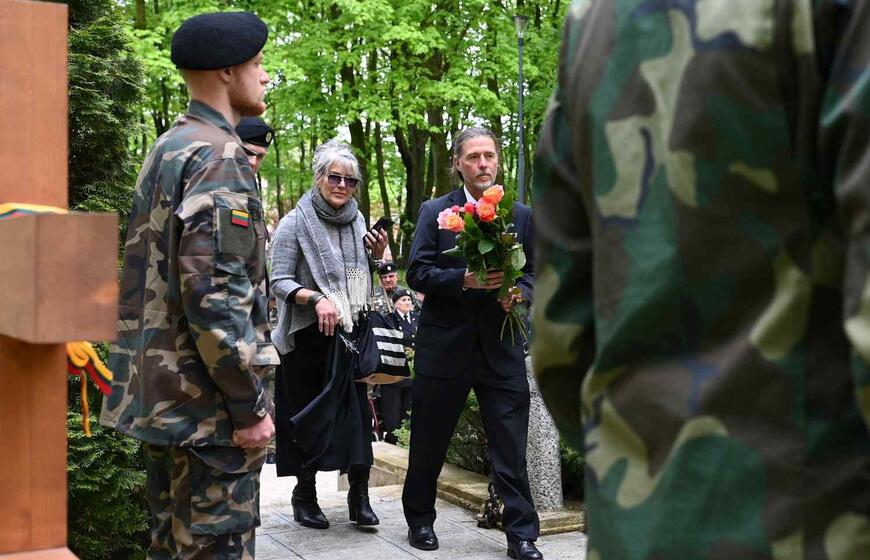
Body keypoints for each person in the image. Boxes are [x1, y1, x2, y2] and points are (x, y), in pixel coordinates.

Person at [532, 2, 870, 559]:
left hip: (636, 525)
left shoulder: (592, 20)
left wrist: (629, 467)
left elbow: (559, 333)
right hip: (812, 523)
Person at [99, 11, 277, 559]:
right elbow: (215, 296)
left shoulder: (169, 148)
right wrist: (248, 407)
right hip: (209, 417)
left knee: (172, 547)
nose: (265, 75)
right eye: (257, 63)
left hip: (168, 406)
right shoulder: (220, 157)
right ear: (227, 71)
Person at [402, 126, 541, 560]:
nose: (483, 164)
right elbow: (417, 272)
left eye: (489, 156)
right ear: (458, 164)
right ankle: (420, 520)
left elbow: (536, 273)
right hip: (444, 348)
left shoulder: (521, 215)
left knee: (511, 446)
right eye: (474, 157)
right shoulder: (435, 212)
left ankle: (521, 535)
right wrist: (462, 280)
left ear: (497, 161)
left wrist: (519, 293)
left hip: (501, 348)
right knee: (429, 441)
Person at [270, 139, 388, 530]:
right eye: (335, 177)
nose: (342, 186)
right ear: (319, 177)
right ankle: (305, 495)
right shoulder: (294, 223)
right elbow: (278, 280)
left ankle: (359, 496)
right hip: (306, 338)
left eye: (350, 181)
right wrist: (317, 298)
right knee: (309, 419)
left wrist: (376, 257)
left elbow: (359, 278)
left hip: (349, 335)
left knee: (357, 419)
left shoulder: (357, 221)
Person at [380, 288, 417, 444]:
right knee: (392, 413)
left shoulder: (416, 318)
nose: (407, 302)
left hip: (412, 371)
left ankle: (404, 440)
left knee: (407, 411)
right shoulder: (389, 319)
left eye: (409, 300)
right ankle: (393, 439)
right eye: (403, 300)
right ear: (395, 304)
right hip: (394, 373)